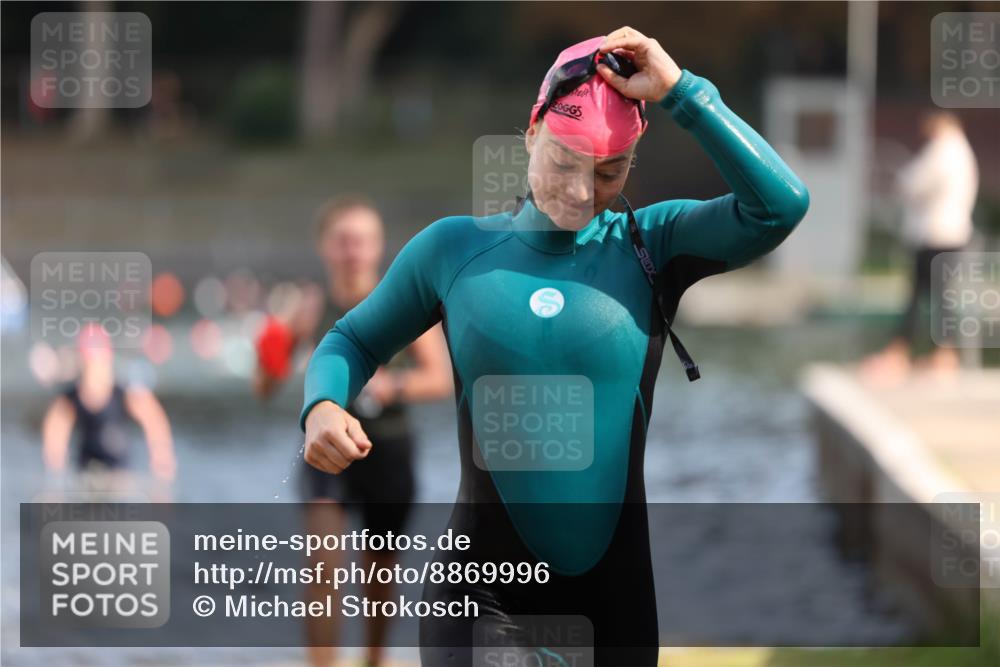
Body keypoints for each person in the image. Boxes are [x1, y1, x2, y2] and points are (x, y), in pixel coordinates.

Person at [299, 28, 809, 667]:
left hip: (614, 609)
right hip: (480, 598)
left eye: (608, 173)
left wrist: (683, 92)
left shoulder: (653, 245)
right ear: (532, 131)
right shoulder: (452, 250)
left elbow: (778, 208)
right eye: (564, 163)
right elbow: (351, 339)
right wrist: (323, 405)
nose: (580, 192)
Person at [254, 195, 452, 667]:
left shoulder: (401, 303)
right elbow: (264, 387)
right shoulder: (308, 308)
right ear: (324, 246)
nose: (353, 251)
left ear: (378, 246)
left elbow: (439, 379)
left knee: (379, 576)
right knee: (322, 567)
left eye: (363, 241)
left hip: (389, 451)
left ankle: (374, 659)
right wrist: (272, 346)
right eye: (343, 241)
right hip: (326, 451)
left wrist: (390, 385)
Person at [861, 110, 979, 383]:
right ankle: (938, 353)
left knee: (922, 297)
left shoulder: (945, 150)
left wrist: (903, 183)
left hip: (936, 235)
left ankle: (903, 353)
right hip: (948, 234)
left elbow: (913, 182)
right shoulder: (960, 151)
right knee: (937, 296)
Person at [41, 323, 176, 497]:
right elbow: (55, 432)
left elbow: (153, 420)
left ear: (107, 359)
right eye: (90, 362)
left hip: (119, 473)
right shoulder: (70, 398)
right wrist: (55, 475)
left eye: (98, 362)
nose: (95, 368)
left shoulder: (126, 392)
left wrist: (162, 460)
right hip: (86, 471)